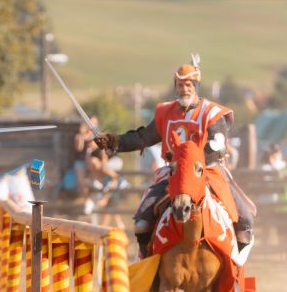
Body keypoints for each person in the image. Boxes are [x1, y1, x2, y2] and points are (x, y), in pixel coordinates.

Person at [93, 57, 254, 258]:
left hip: (208, 172)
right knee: (142, 223)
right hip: (173, 174)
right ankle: (149, 268)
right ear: (175, 87)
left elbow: (216, 147)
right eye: (180, 85)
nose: (184, 89)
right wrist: (112, 141)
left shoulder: (212, 114)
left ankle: (233, 275)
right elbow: (143, 137)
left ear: (196, 86)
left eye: (188, 84)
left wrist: (192, 162)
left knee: (245, 221)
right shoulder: (165, 112)